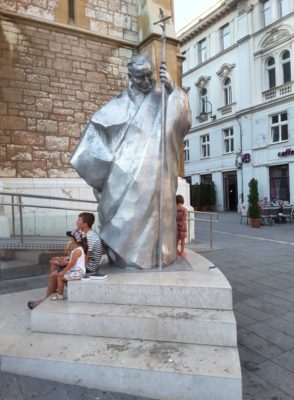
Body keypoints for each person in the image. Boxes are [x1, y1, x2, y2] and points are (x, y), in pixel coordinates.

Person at [71, 53, 191, 269]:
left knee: (151, 224)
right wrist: (111, 168)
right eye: (140, 77)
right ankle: (124, 256)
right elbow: (92, 138)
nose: (146, 81)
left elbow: (181, 122)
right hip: (120, 180)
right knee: (124, 224)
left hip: (154, 180)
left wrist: (174, 90)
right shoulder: (117, 105)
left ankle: (156, 256)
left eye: (149, 75)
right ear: (130, 76)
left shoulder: (163, 94)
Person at [27, 212, 104, 309]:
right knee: (55, 261)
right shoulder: (85, 234)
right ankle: (54, 290)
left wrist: (67, 262)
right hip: (85, 262)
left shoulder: (89, 237)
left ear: (85, 223)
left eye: (79, 220)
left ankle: (45, 299)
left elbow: (84, 260)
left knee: (54, 273)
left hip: (88, 266)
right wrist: (65, 259)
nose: (76, 221)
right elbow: (80, 254)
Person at [51, 229, 87, 301]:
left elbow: (71, 264)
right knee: (61, 274)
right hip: (77, 271)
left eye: (72, 238)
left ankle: (60, 296)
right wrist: (67, 252)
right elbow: (73, 260)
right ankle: (61, 290)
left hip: (78, 272)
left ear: (75, 240)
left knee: (60, 276)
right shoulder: (78, 249)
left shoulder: (77, 251)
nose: (71, 239)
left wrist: (63, 271)